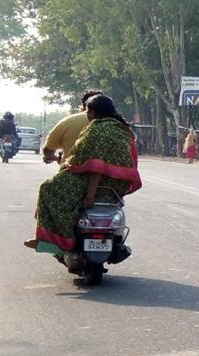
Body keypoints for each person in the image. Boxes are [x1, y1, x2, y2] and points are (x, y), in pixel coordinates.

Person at [25, 95, 141, 259]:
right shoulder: (122, 129)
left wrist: (90, 196)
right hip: (116, 184)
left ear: (92, 113)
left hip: (96, 181)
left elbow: (96, 167)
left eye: (88, 112)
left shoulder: (97, 129)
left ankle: (59, 239)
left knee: (47, 188)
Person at [43, 90, 103, 164]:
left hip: (71, 168)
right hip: (107, 170)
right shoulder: (113, 122)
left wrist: (57, 158)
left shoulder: (69, 121)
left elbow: (48, 150)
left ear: (83, 105)